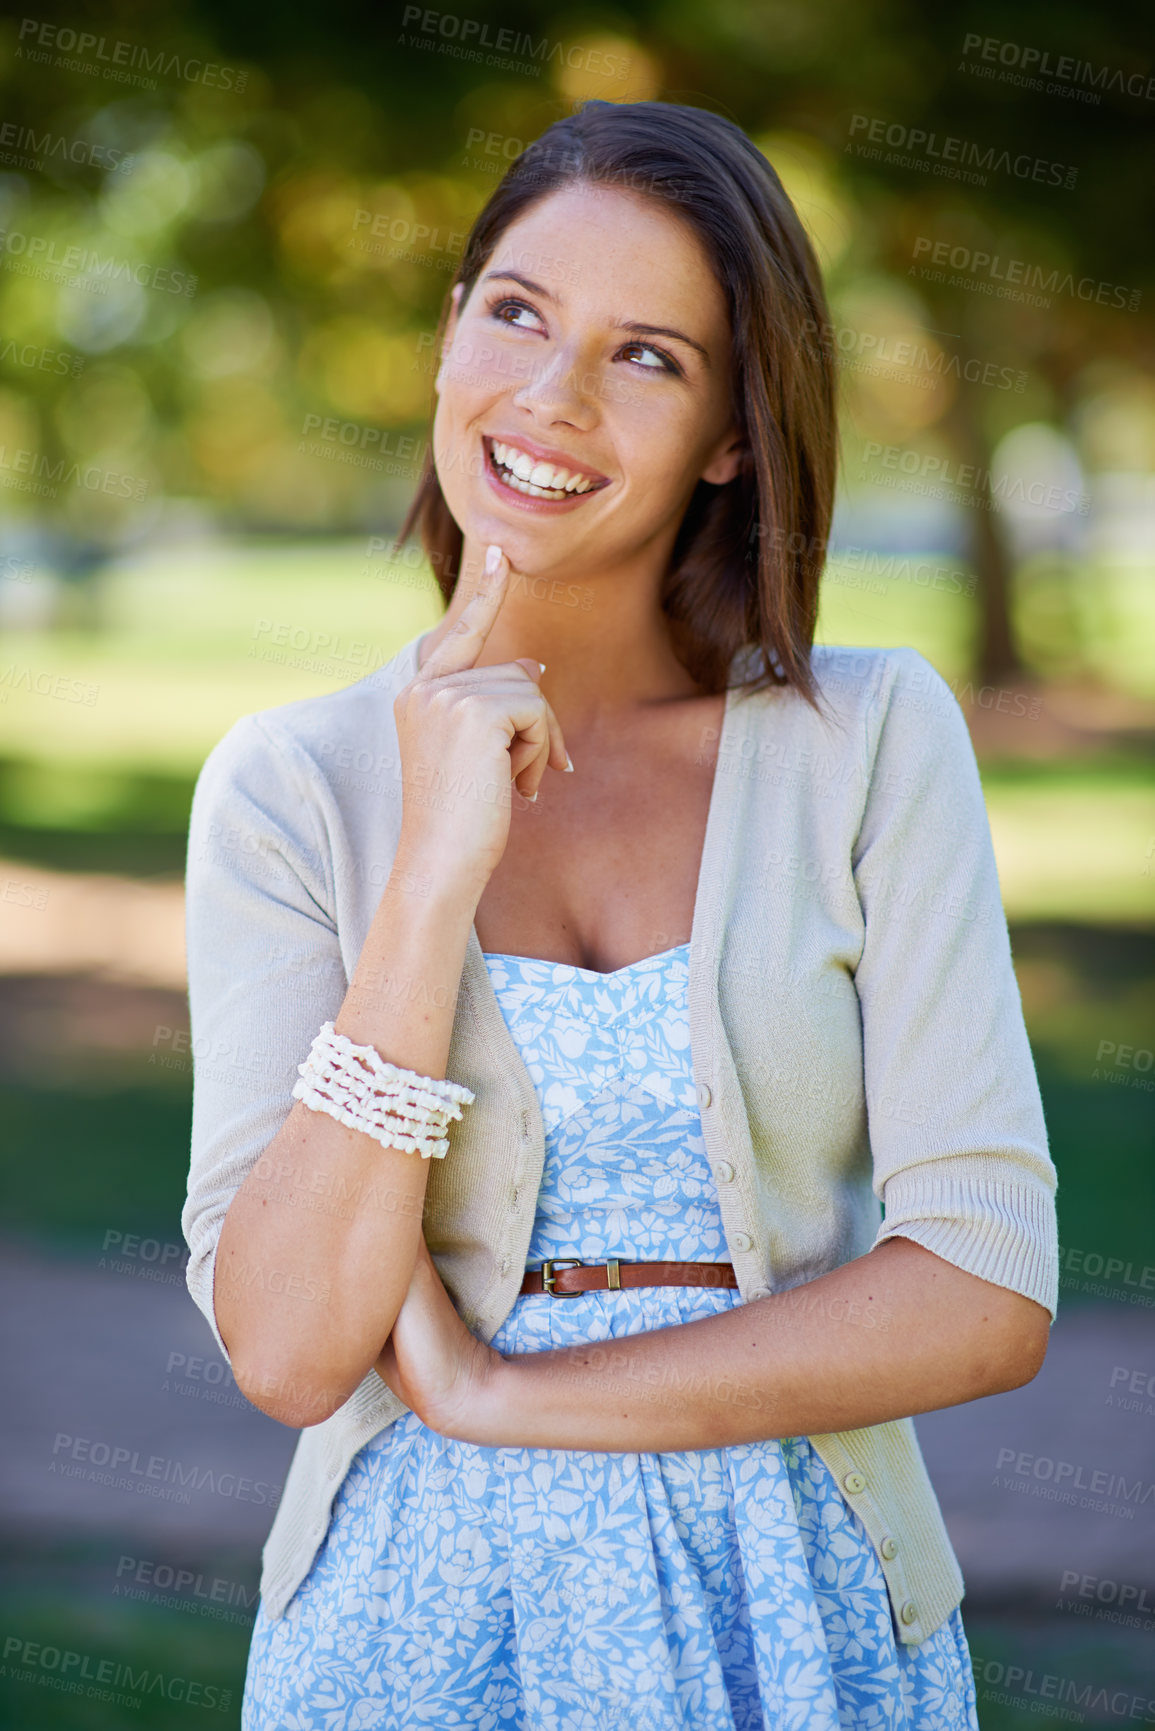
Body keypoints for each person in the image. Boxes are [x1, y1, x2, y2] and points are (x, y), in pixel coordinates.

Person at [181, 100, 1058, 1730]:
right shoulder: (286, 789)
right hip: (412, 1630)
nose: (553, 398)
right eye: (516, 312)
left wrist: (508, 1396)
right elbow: (295, 1350)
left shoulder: (867, 743)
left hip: (799, 1607)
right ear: (449, 336)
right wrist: (431, 876)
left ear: (734, 431)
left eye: (648, 356)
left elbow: (985, 1287)